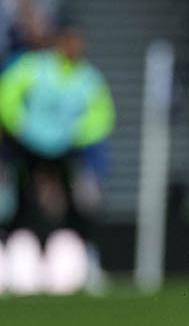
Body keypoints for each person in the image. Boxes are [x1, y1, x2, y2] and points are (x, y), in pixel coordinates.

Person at [0, 24, 115, 240]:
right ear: (60, 44)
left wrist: (76, 133)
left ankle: (82, 236)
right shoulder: (36, 67)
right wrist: (19, 124)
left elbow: (103, 114)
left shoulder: (88, 78)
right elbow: (7, 92)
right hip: (26, 144)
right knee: (16, 188)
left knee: (78, 194)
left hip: (66, 148)